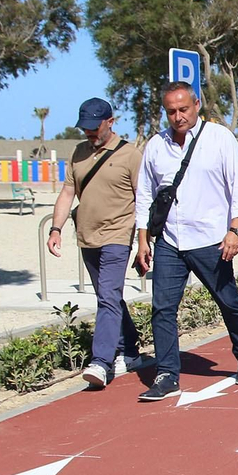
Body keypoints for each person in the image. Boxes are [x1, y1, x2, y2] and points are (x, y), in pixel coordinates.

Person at [134, 83, 238, 401]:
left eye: (183, 109)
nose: (178, 116)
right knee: (162, 308)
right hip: (170, 242)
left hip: (211, 239)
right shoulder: (156, 146)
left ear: (197, 104)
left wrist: (236, 230)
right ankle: (167, 374)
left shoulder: (219, 139)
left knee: (228, 301)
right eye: (171, 111)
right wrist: (143, 240)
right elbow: (146, 196)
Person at [48, 98, 150, 389]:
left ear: (111, 122)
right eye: (85, 128)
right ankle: (130, 348)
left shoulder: (131, 155)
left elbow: (143, 200)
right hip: (86, 235)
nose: (90, 133)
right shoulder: (78, 153)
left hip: (118, 234)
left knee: (106, 296)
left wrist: (144, 241)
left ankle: (102, 362)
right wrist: (56, 229)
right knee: (110, 296)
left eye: (95, 127)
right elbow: (68, 193)